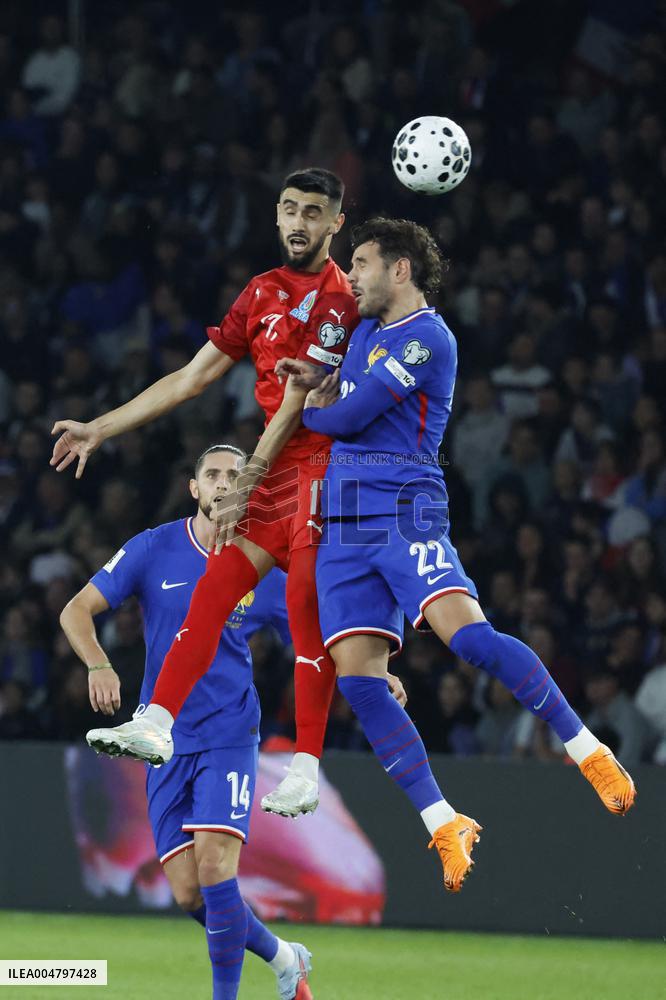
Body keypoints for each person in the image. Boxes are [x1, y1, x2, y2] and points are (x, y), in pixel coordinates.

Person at [279, 217, 636, 890]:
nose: (348, 275)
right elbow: (341, 403)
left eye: (361, 262)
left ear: (401, 270)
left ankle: (585, 747)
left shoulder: (428, 337)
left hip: (403, 505)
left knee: (468, 639)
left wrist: (312, 405)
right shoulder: (361, 336)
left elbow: (347, 417)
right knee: (359, 683)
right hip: (345, 525)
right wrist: (320, 390)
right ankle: (444, 821)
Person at [50, 167, 359, 816]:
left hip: (326, 475)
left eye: (313, 212)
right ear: (276, 215)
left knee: (302, 607)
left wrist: (247, 479)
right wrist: (100, 427)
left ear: (335, 222)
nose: (298, 222)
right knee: (214, 592)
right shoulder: (262, 293)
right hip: (277, 473)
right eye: (288, 208)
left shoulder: (338, 299)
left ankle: (305, 765)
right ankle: (156, 722)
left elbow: (299, 403)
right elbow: (191, 378)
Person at [60, 444, 313, 1000]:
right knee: (189, 894)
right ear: (193, 488)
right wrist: (98, 663)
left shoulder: (262, 562)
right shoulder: (153, 548)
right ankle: (284, 956)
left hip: (229, 731)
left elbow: (315, 643)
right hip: (164, 740)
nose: (224, 482)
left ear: (248, 487)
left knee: (217, 867)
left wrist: (374, 675)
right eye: (213, 474)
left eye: (235, 475)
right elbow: (74, 609)